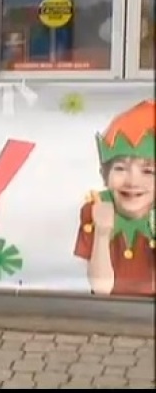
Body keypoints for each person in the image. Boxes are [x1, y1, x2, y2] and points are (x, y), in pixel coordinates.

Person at [74, 99, 155, 297]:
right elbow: (101, 289)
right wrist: (102, 233)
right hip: (111, 313)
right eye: (120, 168)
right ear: (104, 174)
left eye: (148, 171)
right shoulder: (95, 208)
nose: (133, 181)